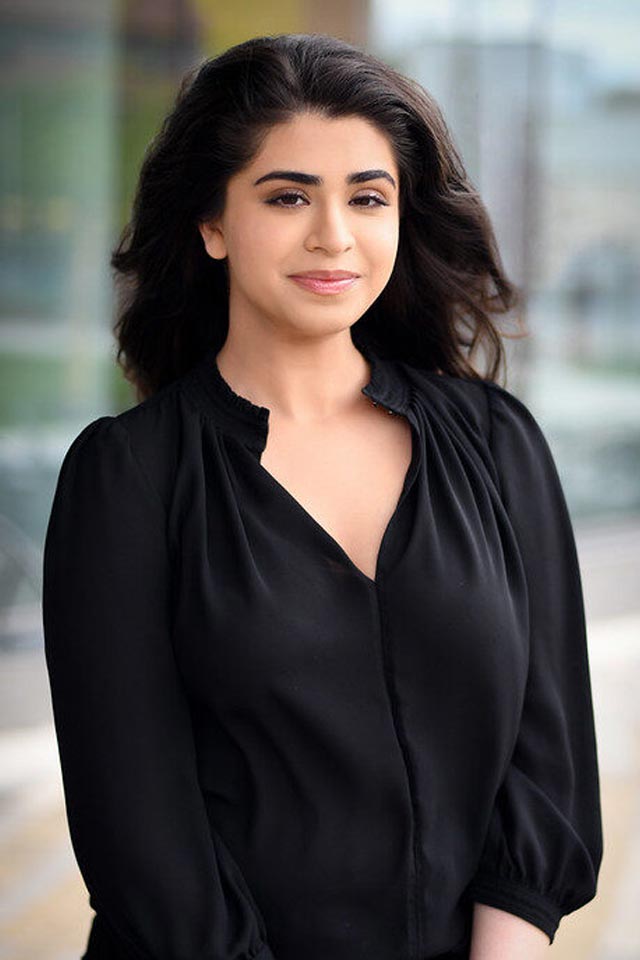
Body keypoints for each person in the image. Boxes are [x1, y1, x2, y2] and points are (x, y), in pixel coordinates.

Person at [42, 32, 603, 960]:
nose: (333, 235)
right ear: (211, 224)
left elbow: (549, 766)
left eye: (368, 198)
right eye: (289, 195)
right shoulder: (128, 477)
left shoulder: (497, 445)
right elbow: (139, 829)